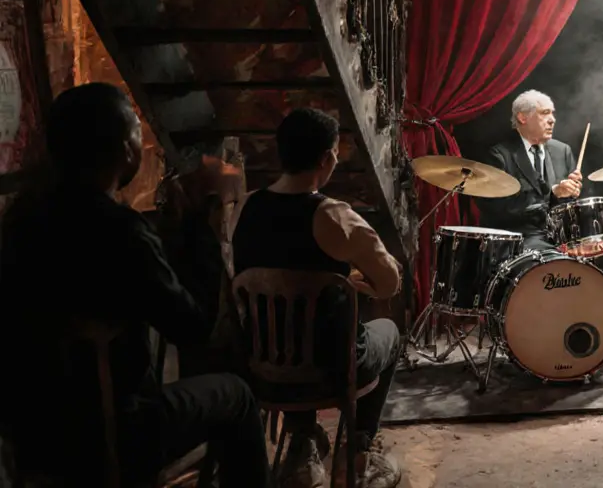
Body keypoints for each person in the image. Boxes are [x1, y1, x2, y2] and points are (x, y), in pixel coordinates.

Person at [0, 83, 270, 487]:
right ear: (125, 150)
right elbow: (192, 328)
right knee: (238, 395)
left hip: (30, 435)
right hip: (112, 435)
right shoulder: (119, 230)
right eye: (135, 133)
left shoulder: (19, 219)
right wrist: (202, 223)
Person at [233, 108, 404, 488]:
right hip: (332, 367)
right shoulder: (333, 216)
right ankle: (359, 451)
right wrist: (358, 283)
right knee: (390, 331)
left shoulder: (245, 207)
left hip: (262, 367)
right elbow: (390, 283)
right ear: (327, 159)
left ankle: (302, 445)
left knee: (295, 330)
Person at [477, 90, 583, 252]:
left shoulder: (562, 151)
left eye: (552, 114)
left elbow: (569, 208)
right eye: (545, 113)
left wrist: (571, 191)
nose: (552, 120)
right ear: (522, 117)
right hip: (518, 240)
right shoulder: (500, 155)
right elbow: (498, 209)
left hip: (560, 238)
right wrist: (554, 193)